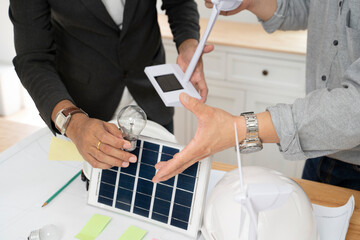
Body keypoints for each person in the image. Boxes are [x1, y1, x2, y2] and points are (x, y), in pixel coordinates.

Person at [152, 0, 360, 191]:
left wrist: (238, 129)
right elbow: (306, 8)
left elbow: (355, 107)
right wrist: (249, 2)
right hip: (318, 150)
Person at [9, 0, 213, 170]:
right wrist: (73, 122)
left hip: (151, 99)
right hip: (84, 113)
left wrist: (188, 43)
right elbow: (33, 59)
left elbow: (179, 2)